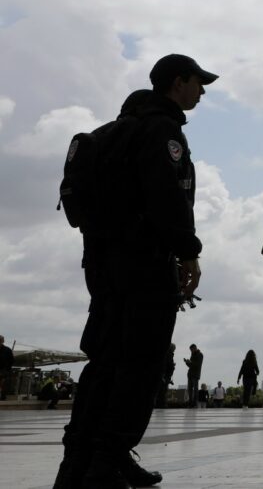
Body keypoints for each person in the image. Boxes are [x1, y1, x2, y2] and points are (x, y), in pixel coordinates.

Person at [54, 55, 215, 489]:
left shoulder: (107, 134)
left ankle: (78, 461)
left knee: (104, 361)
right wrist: (188, 252)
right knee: (141, 364)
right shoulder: (161, 131)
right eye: (199, 83)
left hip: (102, 265)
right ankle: (107, 461)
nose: (202, 91)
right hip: (144, 264)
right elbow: (167, 198)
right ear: (177, 83)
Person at [155, 344, 175, 409]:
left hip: (165, 374)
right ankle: (161, 404)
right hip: (166, 374)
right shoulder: (169, 354)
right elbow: (168, 364)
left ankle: (160, 404)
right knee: (163, 390)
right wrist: (172, 366)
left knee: (162, 389)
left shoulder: (167, 353)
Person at [185, 344, 204, 408]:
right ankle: (190, 403)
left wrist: (190, 362)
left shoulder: (200, 355)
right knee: (189, 390)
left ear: (195, 348)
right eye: (190, 350)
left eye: (191, 350)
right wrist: (187, 362)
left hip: (195, 375)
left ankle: (195, 404)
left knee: (195, 390)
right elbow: (191, 366)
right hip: (190, 374)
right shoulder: (192, 355)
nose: (191, 351)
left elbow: (197, 365)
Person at [0, 334, 13, 400]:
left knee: (3, 383)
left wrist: (7, 369)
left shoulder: (7, 350)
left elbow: (11, 361)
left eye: (1, 340)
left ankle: (2, 396)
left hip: (4, 370)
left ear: (2, 341)